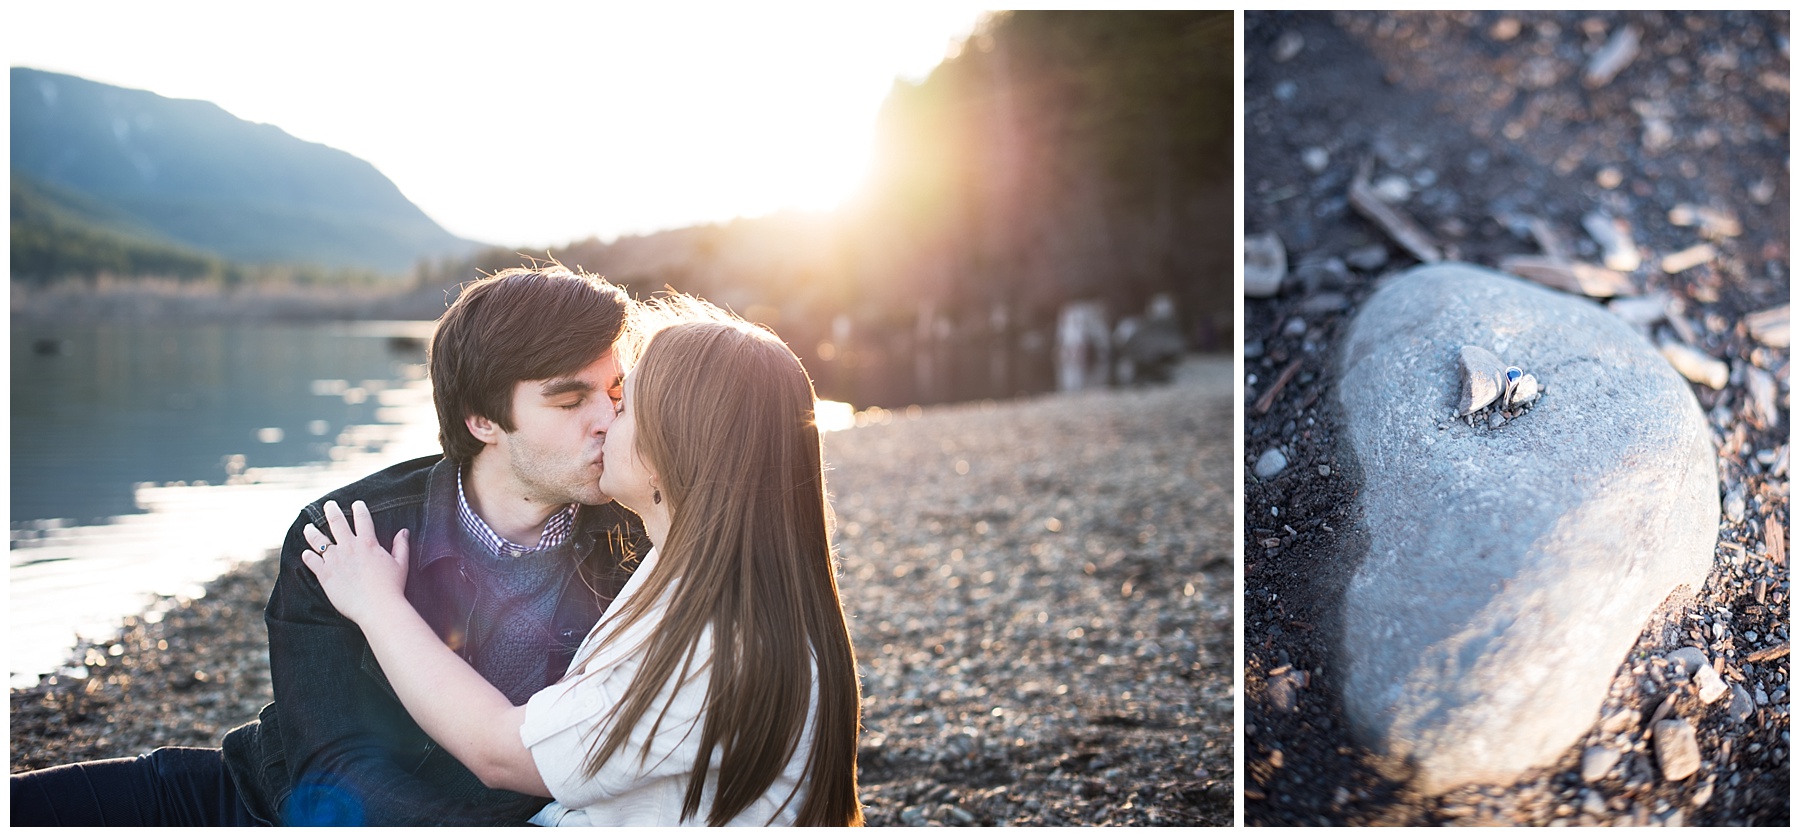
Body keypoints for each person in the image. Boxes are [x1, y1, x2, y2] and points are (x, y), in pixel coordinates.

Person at [12, 265, 648, 826]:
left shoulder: (644, 543)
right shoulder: (344, 532)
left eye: (615, 392)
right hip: (264, 803)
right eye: (570, 400)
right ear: (481, 421)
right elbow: (336, 769)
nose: (606, 420)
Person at [300, 300, 864, 825]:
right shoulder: (709, 572)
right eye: (579, 402)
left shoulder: (715, 642)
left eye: (624, 403)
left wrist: (377, 605)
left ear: (672, 452)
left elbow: (502, 752)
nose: (605, 421)